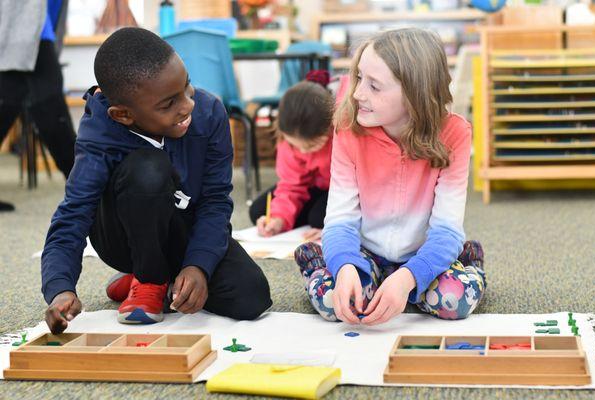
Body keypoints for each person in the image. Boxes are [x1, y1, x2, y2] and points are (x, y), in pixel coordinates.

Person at [42, 27, 272, 333]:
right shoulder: (99, 136)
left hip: (180, 227)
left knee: (250, 297)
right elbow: (73, 214)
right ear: (123, 115)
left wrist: (198, 265)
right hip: (122, 237)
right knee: (149, 169)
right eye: (168, 104)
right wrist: (60, 288)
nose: (187, 106)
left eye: (187, 87)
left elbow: (216, 200)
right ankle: (147, 278)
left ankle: (154, 279)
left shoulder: (209, 112)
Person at [294, 28, 486, 326]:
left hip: (423, 254)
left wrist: (407, 279)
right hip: (365, 252)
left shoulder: (455, 134)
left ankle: (469, 259)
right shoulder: (348, 131)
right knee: (335, 303)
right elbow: (340, 220)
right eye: (359, 78)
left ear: (414, 95)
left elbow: (446, 230)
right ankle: (320, 261)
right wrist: (344, 267)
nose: (357, 93)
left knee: (455, 302)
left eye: (374, 86)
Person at [0, 0, 76, 211]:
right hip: (22, 32)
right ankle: (89, 193)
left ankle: (88, 191)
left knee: (10, 108)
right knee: (53, 114)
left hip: (32, 31)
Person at [248, 72, 334, 242]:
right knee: (259, 212)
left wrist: (337, 228)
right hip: (312, 187)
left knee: (318, 218)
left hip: (340, 189)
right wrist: (279, 219)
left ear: (331, 127)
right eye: (295, 145)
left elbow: (357, 189)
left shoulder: (342, 137)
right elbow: (291, 185)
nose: (302, 151)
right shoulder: (287, 140)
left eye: (311, 146)